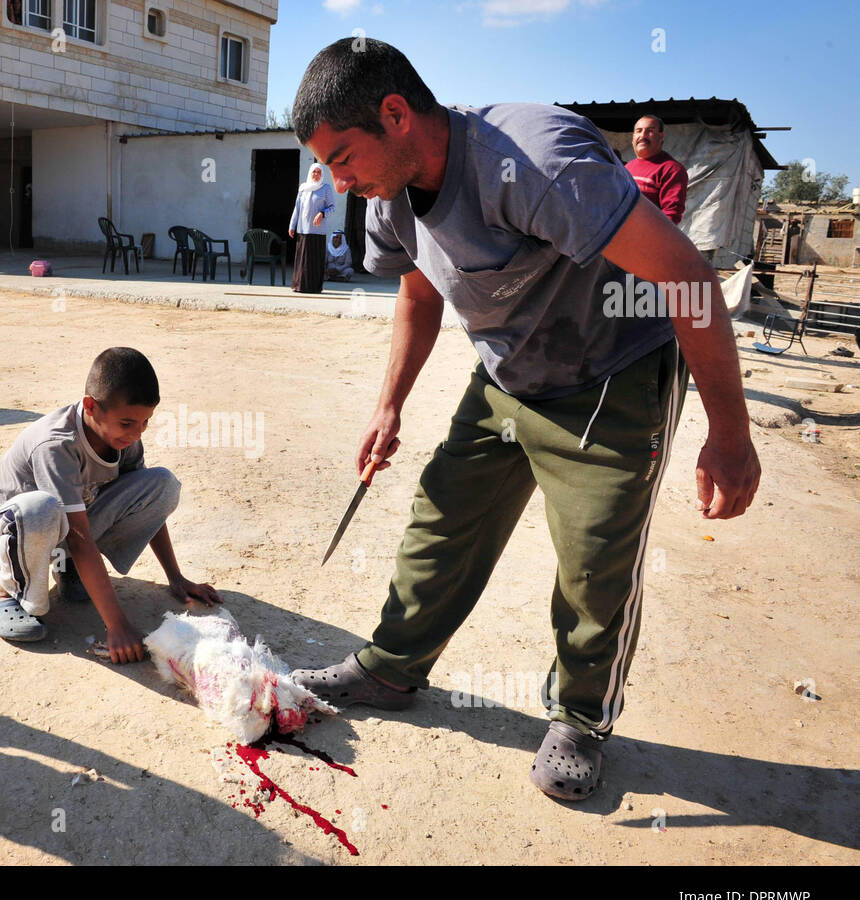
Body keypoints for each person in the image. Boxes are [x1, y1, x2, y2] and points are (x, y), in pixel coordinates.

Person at [288, 39, 759, 801]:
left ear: (396, 115)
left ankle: (580, 716)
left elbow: (688, 275)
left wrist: (730, 433)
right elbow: (419, 290)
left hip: (612, 373)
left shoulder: (536, 160)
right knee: (442, 516)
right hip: (508, 375)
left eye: (343, 157)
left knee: (592, 562)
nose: (337, 180)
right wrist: (389, 404)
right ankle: (391, 665)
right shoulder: (387, 194)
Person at [0, 347, 221, 663]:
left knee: (162, 485)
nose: (137, 432)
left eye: (145, 423)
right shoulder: (56, 445)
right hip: (3, 534)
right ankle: (4, 593)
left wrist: (176, 577)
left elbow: (147, 505)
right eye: (128, 423)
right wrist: (117, 625)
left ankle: (69, 567)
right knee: (43, 508)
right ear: (90, 406)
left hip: (59, 531)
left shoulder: (122, 437)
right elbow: (78, 536)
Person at [626, 115, 688, 225]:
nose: (643, 135)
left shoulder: (671, 169)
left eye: (650, 131)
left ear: (661, 136)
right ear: (633, 137)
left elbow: (671, 216)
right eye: (638, 131)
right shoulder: (626, 168)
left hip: (646, 239)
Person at [289, 163, 336, 293]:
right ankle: (299, 285)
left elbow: (332, 207)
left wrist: (322, 213)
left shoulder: (326, 188)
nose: (316, 174)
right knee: (302, 259)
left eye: (318, 172)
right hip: (303, 229)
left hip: (317, 231)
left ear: (322, 174)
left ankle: (313, 287)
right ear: (310, 173)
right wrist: (292, 225)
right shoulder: (303, 188)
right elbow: (297, 208)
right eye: (314, 172)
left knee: (313, 260)